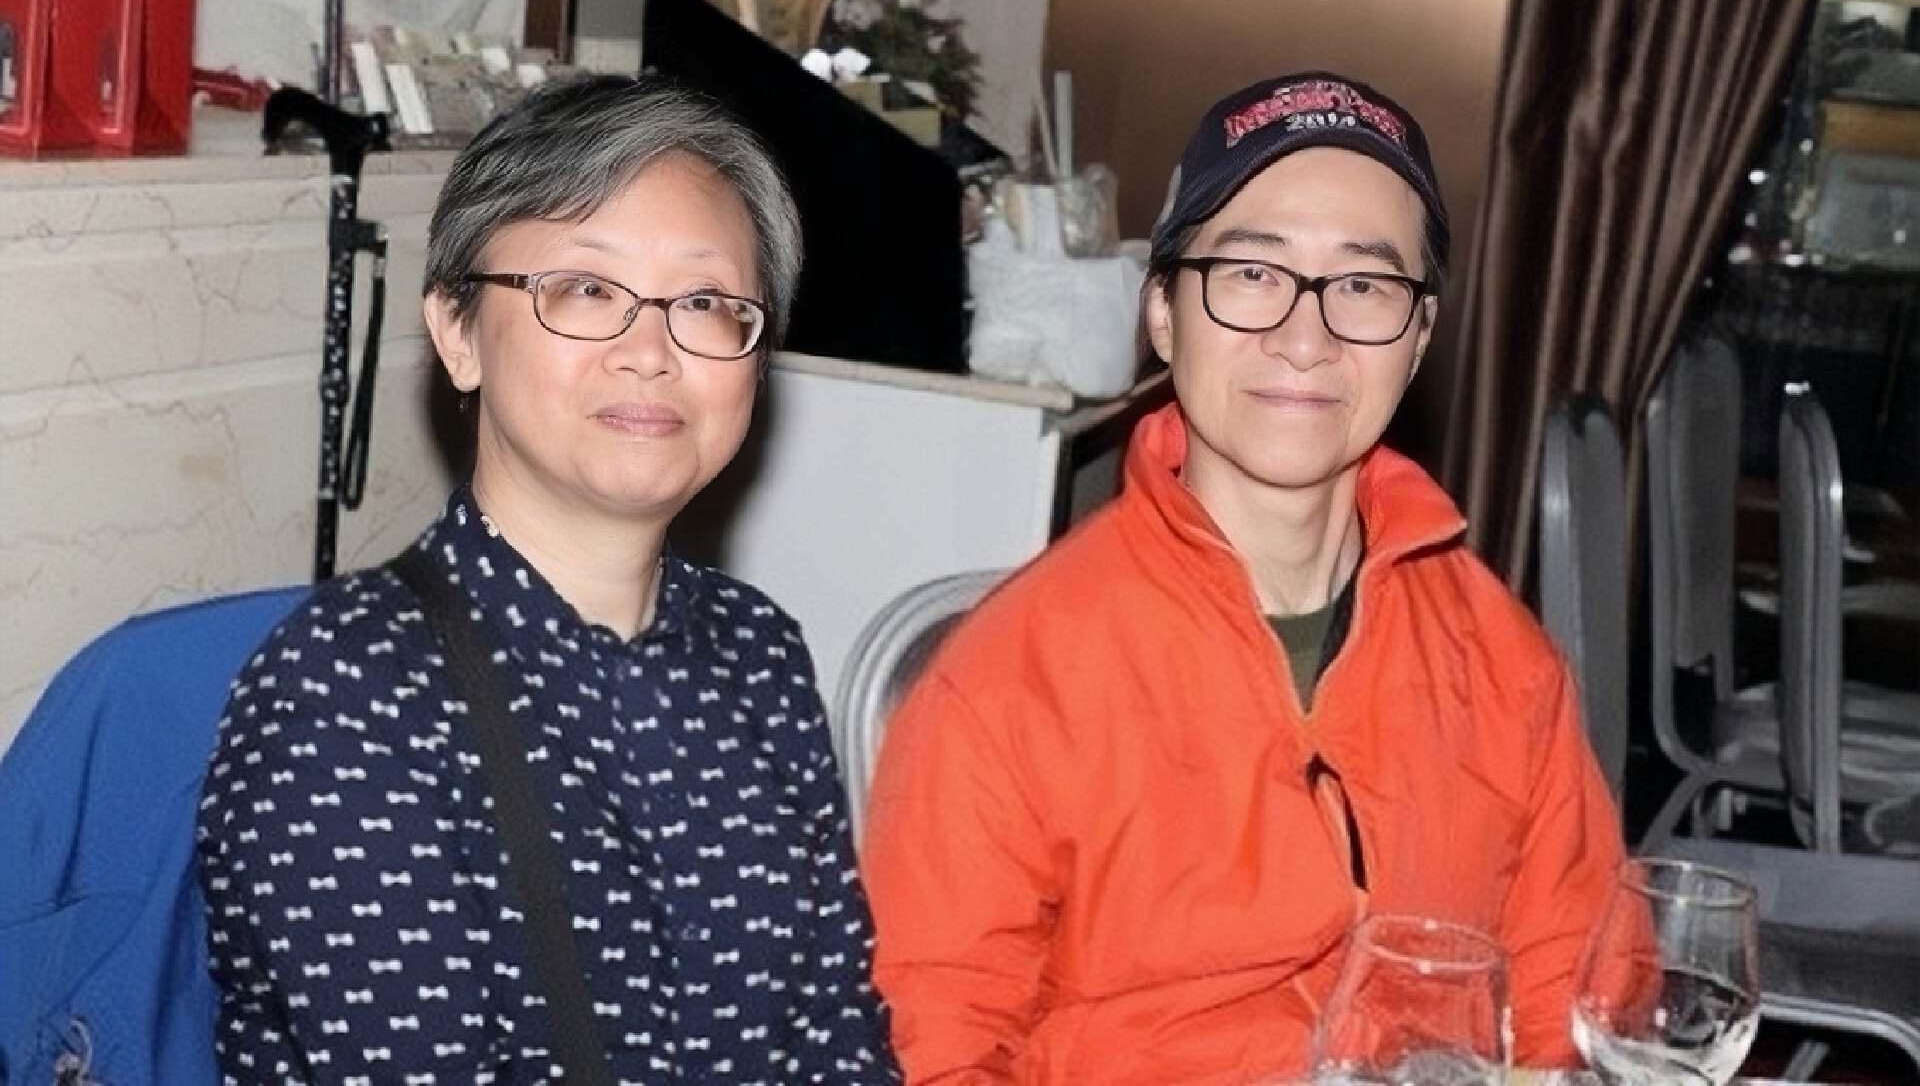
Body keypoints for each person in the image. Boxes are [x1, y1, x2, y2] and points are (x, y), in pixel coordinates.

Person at [861, 70, 1626, 1084]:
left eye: (1363, 286)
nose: (1306, 338)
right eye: (1253, 273)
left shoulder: (1502, 664)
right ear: (1163, 311)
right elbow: (933, 1047)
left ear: (1418, 338)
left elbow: (1578, 1000)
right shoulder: (1011, 681)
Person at [197, 74, 900, 1084]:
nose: (650, 352)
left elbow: (836, 1037)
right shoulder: (346, 698)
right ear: (457, 332)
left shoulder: (758, 651)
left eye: (706, 303)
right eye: (586, 291)